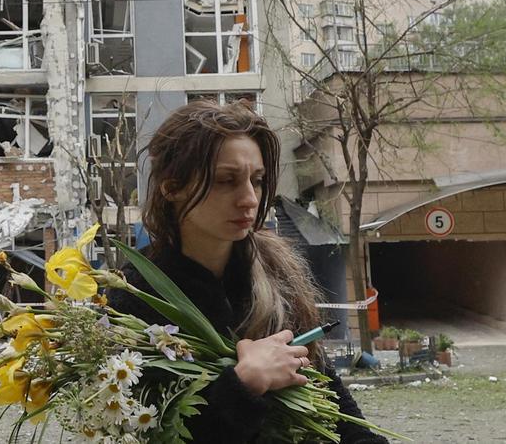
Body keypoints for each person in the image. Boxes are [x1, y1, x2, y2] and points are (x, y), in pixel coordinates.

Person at [109, 101, 386, 443]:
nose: (250, 199)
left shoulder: (276, 272)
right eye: (226, 180)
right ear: (172, 187)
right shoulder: (133, 295)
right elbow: (144, 431)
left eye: (257, 180)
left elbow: (331, 399)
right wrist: (244, 384)